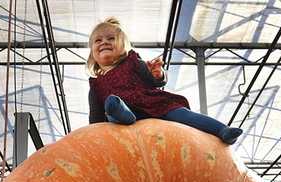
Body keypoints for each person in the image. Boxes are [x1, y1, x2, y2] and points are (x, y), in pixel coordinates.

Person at [87, 17, 243, 145]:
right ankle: (123, 114)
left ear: (123, 46)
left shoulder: (132, 61)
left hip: (153, 103)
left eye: (111, 38)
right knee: (112, 108)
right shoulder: (95, 85)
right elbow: (95, 119)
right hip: (123, 119)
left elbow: (155, 81)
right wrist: (93, 140)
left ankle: (222, 130)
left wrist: (157, 74)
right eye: (98, 40)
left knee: (184, 115)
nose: (104, 42)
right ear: (92, 53)